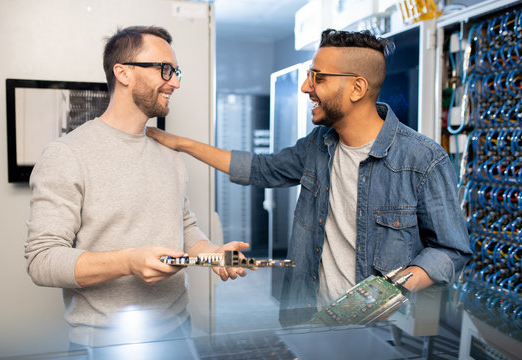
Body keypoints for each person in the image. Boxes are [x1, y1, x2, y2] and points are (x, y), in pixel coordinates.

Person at [146, 28, 473, 325]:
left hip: (381, 332)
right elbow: (263, 168)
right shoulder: (319, 145)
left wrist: (388, 292)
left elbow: (451, 249)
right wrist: (182, 144)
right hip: (310, 322)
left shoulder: (423, 159)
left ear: (357, 87)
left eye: (318, 77)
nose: (306, 87)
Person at [24, 26, 249, 347]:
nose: (175, 82)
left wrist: (212, 254)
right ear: (123, 73)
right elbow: (42, 261)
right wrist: (127, 262)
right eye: (165, 70)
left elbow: (184, 227)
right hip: (103, 345)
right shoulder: (67, 154)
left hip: (179, 329)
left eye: (176, 71)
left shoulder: (169, 154)